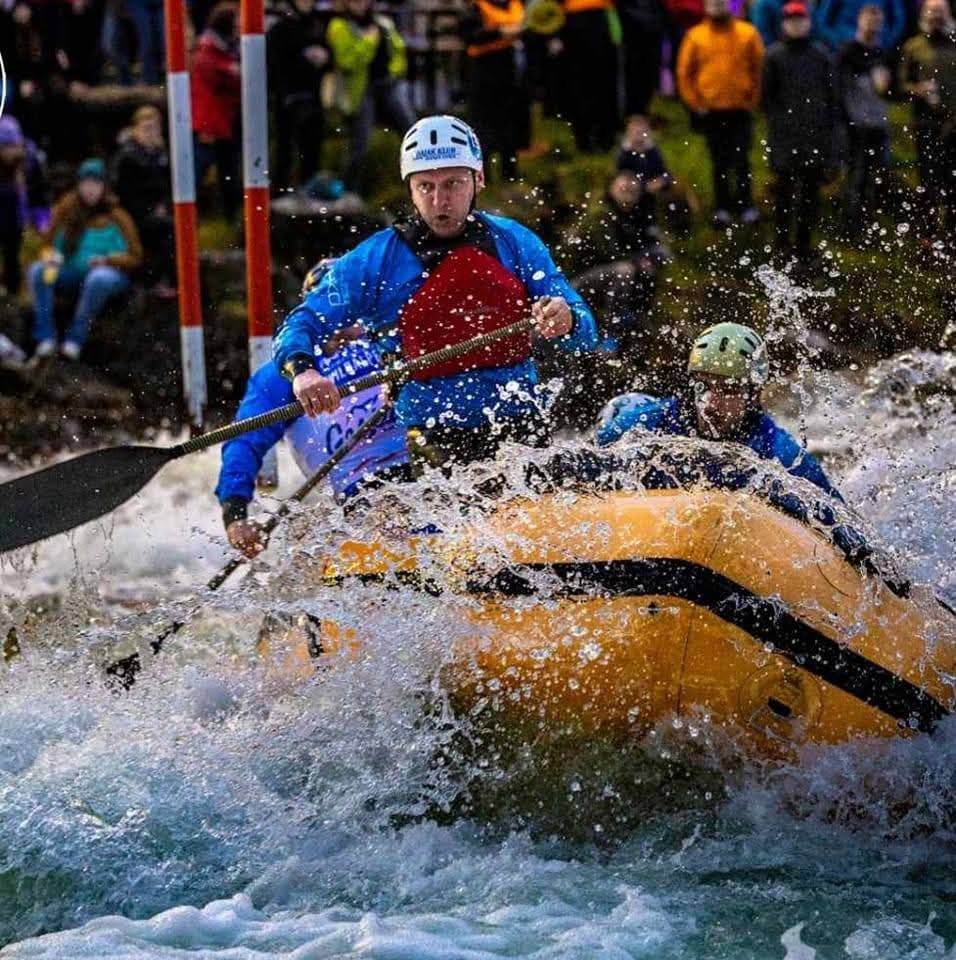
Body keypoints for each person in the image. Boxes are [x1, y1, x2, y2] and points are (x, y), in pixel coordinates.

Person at [272, 115, 599, 467]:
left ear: (478, 179)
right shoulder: (374, 260)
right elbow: (301, 322)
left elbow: (586, 329)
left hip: (521, 423)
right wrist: (303, 371)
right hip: (433, 434)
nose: (440, 200)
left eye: (453, 184)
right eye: (425, 186)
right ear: (410, 189)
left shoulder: (515, 241)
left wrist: (568, 320)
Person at [217, 260, 410, 558]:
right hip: (360, 488)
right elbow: (245, 440)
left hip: (424, 462)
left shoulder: (393, 342)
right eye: (330, 305)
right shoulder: (283, 374)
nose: (342, 316)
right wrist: (235, 514)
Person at [597, 321, 842, 498]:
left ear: (753, 394)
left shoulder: (779, 453)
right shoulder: (644, 424)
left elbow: (845, 531)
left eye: (729, 390)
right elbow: (585, 465)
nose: (711, 403)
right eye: (704, 386)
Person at [28, 158, 143, 360]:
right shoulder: (65, 209)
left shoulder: (118, 216)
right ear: (79, 185)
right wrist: (50, 258)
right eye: (86, 184)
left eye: (95, 184)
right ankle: (45, 338)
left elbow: (135, 257)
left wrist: (108, 260)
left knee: (98, 278)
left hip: (108, 276)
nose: (90, 190)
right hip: (70, 273)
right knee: (39, 271)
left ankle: (75, 340)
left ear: (104, 187)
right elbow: (46, 246)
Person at [677, 0, 764, 228]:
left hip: (740, 109)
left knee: (742, 159)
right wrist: (695, 104)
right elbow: (685, 73)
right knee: (719, 161)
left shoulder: (748, 33)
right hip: (711, 111)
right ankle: (722, 206)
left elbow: (758, 68)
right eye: (712, 3)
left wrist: (752, 100)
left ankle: (746, 205)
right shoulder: (695, 36)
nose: (717, 6)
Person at [762, 1, 838, 261]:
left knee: (810, 194)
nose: (796, 25)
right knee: (783, 193)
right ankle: (781, 244)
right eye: (792, 20)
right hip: (785, 137)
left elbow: (832, 98)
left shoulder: (821, 55)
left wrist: (828, 138)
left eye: (801, 20)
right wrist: (779, 127)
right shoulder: (773, 56)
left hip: (815, 136)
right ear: (784, 24)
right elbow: (767, 100)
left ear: (808, 22)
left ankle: (804, 244)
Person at [326, 0, 415, 191]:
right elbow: (347, 62)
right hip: (361, 90)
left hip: (388, 85)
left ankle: (418, 180)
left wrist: (394, 73)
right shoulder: (339, 26)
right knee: (360, 144)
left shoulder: (383, 23)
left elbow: (398, 53)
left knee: (411, 131)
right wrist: (368, 42)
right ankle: (349, 190)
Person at [898, 0, 956, 240]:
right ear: (923, 14)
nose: (936, 16)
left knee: (953, 180)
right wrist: (917, 89)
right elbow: (901, 85)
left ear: (949, 14)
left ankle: (951, 235)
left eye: (940, 12)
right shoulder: (913, 46)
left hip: (954, 124)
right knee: (928, 180)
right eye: (932, 12)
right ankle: (927, 236)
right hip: (926, 124)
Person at [836, 4, 891, 236]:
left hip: (877, 123)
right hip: (853, 125)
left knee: (874, 176)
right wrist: (847, 120)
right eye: (869, 21)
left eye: (877, 22)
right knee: (854, 175)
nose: (873, 26)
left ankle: (868, 225)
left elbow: (888, 89)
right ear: (859, 21)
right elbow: (839, 90)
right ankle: (850, 226)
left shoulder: (881, 52)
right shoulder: (847, 51)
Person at [461, 0, 531, 180]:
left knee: (510, 122)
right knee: (483, 125)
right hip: (483, 70)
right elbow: (468, 35)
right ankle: (484, 174)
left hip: (510, 68)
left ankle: (510, 172)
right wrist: (499, 33)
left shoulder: (515, 4)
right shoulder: (476, 7)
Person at [110, 105, 175, 293]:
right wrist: (151, 209)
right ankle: (155, 281)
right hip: (135, 214)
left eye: (154, 128)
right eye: (146, 128)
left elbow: (167, 186)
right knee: (169, 229)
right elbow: (123, 192)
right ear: (136, 129)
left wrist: (163, 206)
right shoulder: (128, 155)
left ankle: (167, 280)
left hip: (157, 210)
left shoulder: (160, 153)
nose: (150, 133)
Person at [267, 0, 330, 191]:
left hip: (312, 94)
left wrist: (324, 58)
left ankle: (308, 188)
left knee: (312, 146)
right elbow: (277, 64)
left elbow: (329, 57)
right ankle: (280, 190)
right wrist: (305, 59)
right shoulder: (280, 27)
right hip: (288, 96)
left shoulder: (317, 24)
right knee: (285, 147)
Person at [191, 1, 242, 221]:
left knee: (228, 171)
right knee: (201, 171)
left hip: (226, 120)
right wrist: (234, 72)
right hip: (210, 123)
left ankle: (230, 217)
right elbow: (219, 76)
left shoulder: (229, 49)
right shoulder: (208, 49)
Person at [557, 0, 621, 152]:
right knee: (583, 84)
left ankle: (601, 137)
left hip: (600, 19)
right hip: (575, 22)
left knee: (601, 83)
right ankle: (587, 138)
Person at [813, 0, 905, 50]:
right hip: (842, 48)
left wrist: (885, 41)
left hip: (879, 48)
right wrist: (839, 41)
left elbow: (898, 20)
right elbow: (820, 21)